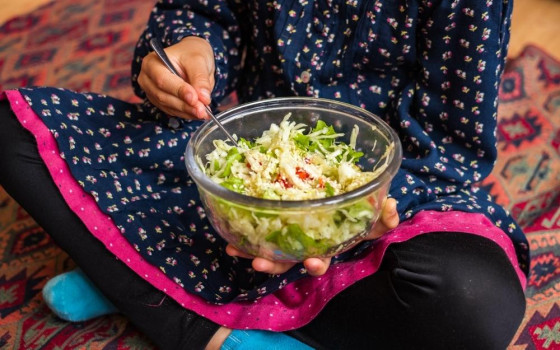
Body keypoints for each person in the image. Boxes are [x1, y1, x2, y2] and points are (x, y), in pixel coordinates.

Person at [0, 0, 528, 349]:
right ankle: (191, 312)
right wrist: (189, 51)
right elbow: (202, 12)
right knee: (12, 129)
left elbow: (451, 146)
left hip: (398, 193)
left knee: (473, 306)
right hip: (242, 163)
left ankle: (145, 280)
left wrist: (354, 210)